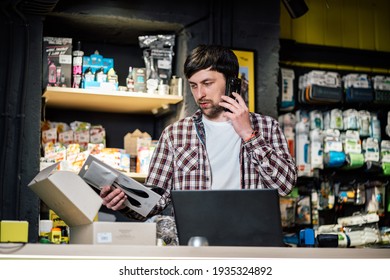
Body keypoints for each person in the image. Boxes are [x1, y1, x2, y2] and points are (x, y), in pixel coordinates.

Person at [100, 44, 297, 224]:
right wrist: (124, 201)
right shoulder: (175, 134)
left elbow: (285, 186)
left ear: (231, 83)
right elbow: (155, 202)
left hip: (252, 242)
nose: (199, 94)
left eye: (207, 83)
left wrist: (248, 134)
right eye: (194, 85)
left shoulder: (267, 127)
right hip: (194, 242)